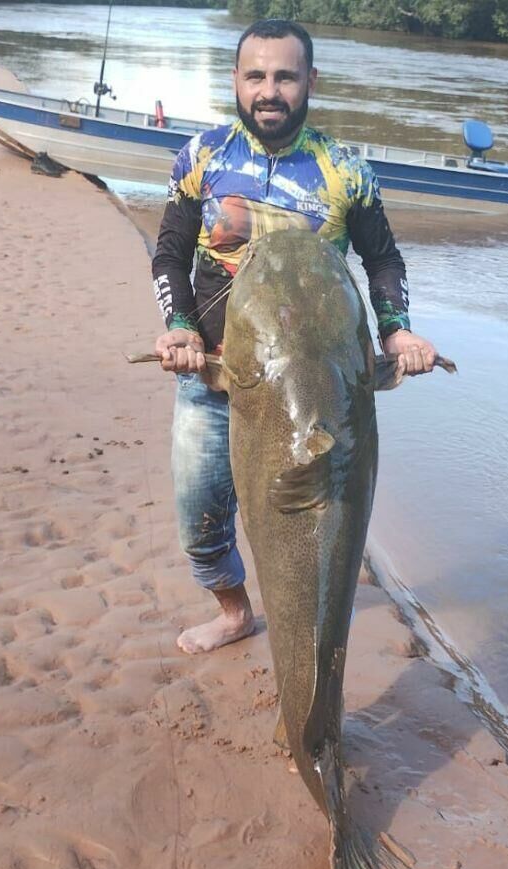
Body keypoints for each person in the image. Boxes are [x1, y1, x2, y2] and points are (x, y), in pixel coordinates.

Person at [150, 19, 438, 654]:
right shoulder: (202, 157)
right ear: (236, 80)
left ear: (311, 81)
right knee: (199, 520)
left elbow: (383, 261)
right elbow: (169, 253)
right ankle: (233, 612)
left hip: (309, 395)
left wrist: (398, 331)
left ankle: (309, 628)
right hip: (212, 371)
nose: (270, 90)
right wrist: (177, 328)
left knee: (306, 522)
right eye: (256, 75)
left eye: (285, 76)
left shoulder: (346, 172)